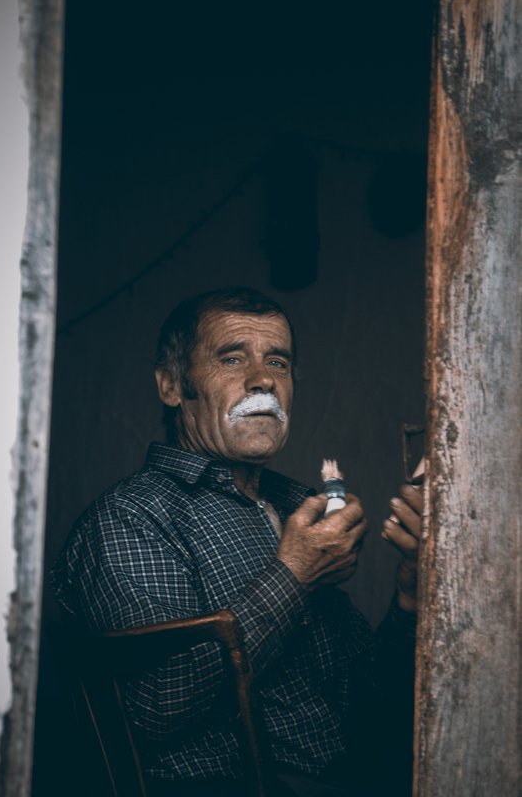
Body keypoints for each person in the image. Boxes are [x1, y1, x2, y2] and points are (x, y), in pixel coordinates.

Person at [51, 287, 423, 797]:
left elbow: (369, 700)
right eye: (231, 358)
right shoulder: (130, 516)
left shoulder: (298, 508)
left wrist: (410, 601)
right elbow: (158, 704)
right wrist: (294, 575)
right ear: (172, 386)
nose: (263, 379)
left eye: (279, 361)